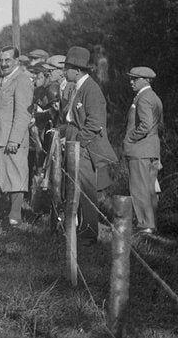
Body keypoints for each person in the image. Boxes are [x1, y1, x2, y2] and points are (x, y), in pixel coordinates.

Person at [60, 46, 118, 245]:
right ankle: (79, 228)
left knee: (86, 190)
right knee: (75, 187)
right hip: (75, 143)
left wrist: (78, 142)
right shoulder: (78, 86)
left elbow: (95, 123)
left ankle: (89, 233)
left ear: (77, 70)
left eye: (67, 68)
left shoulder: (91, 90)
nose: (64, 71)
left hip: (84, 147)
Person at [0, 46, 33, 226]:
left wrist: (14, 139)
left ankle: (15, 218)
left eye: (7, 60)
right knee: (8, 177)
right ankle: (12, 214)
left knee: (16, 177)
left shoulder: (22, 80)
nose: (3, 64)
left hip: (13, 139)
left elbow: (23, 113)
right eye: (1, 60)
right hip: (2, 137)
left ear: (16, 61)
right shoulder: (4, 79)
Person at [122, 66, 162, 235]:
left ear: (146, 80)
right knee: (150, 189)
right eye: (131, 78)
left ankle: (145, 225)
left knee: (139, 188)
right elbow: (159, 125)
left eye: (135, 79)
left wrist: (130, 138)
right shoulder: (154, 97)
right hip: (151, 149)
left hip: (140, 150)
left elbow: (145, 125)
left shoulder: (143, 98)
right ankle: (150, 224)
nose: (131, 82)